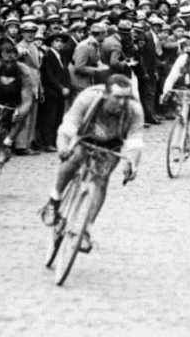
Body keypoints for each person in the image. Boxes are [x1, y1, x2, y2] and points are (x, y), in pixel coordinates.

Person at [42, 74, 144, 253]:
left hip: (112, 142)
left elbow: (135, 142)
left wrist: (132, 164)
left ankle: (86, 231)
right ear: (106, 95)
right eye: (117, 97)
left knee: (102, 179)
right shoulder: (87, 99)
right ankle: (54, 200)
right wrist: (63, 147)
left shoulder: (134, 110)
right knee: (74, 158)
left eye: (126, 98)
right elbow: (67, 128)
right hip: (85, 136)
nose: (122, 103)